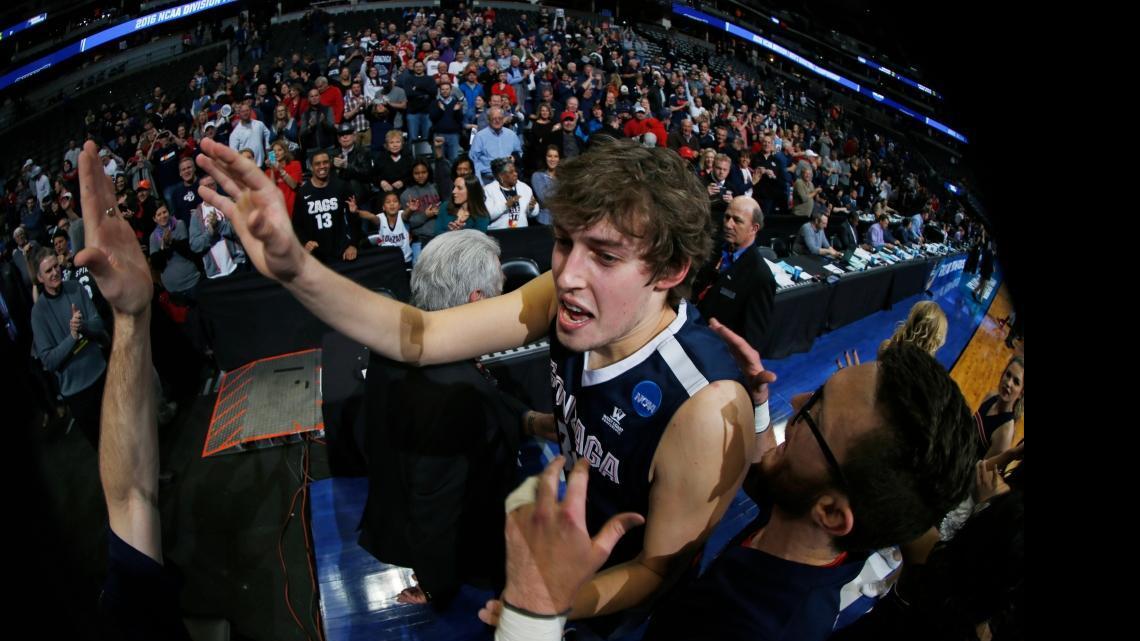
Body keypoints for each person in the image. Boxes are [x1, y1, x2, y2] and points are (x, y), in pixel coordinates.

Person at [194, 136, 754, 625]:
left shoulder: (704, 408)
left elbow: (657, 569)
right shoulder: (565, 296)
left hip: (608, 597)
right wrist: (296, 269)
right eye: (563, 242)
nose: (568, 273)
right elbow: (419, 335)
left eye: (604, 256)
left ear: (671, 271)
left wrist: (552, 603)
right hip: (561, 545)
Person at [357, 230, 534, 607]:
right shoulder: (452, 395)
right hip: (471, 552)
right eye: (501, 293)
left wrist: (528, 420)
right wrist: (438, 584)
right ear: (478, 301)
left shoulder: (399, 341)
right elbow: (434, 510)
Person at [31, 248, 109, 449]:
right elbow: (48, 361)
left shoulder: (75, 287)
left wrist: (83, 327)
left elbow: (98, 323)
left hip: (102, 375)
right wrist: (72, 337)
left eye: (56, 267)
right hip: (78, 393)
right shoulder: (38, 313)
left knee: (127, 430)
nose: (55, 272)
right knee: (104, 448)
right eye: (48, 271)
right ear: (40, 278)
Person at [693, 196, 776, 360]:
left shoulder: (760, 276)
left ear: (754, 228)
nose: (728, 224)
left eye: (737, 220)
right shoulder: (713, 248)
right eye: (727, 217)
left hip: (714, 354)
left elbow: (752, 340)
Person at [291, 150, 360, 264]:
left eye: (325, 162)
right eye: (317, 164)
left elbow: (353, 220)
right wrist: (305, 242)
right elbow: (296, 225)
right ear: (311, 167)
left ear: (330, 164)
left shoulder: (342, 187)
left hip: (342, 252)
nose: (322, 166)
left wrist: (353, 244)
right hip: (316, 254)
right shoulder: (303, 192)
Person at [975, 356, 1024, 460]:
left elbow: (980, 471)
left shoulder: (1004, 433)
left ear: (1021, 393)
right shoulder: (991, 396)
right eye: (1008, 375)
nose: (1008, 383)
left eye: (1016, 382)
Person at [484, 158, 537, 230]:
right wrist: (506, 206)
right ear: (501, 176)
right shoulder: (488, 190)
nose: (516, 174)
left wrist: (531, 208)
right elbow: (487, 216)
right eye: (511, 172)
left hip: (521, 233)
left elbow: (534, 213)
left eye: (515, 171)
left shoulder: (524, 188)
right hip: (499, 234)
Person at [530, 145, 560, 226]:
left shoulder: (563, 176)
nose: (552, 159)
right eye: (549, 156)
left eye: (556, 156)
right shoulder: (537, 176)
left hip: (562, 221)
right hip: (545, 221)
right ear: (545, 157)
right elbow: (545, 199)